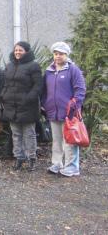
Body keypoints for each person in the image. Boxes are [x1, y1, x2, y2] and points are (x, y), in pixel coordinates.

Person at [42, 42, 86, 177]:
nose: (58, 56)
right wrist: (44, 103)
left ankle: (72, 166)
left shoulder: (73, 70)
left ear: (66, 55)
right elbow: (44, 90)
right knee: (56, 140)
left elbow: (80, 89)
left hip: (69, 113)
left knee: (70, 140)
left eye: (61, 54)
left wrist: (74, 104)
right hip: (53, 112)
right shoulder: (49, 71)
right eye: (55, 54)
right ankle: (57, 164)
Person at [0, 41, 42, 171]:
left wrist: (29, 98)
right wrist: (3, 95)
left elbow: (38, 86)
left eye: (20, 50)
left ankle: (32, 159)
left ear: (26, 52)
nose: (17, 52)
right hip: (11, 105)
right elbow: (5, 83)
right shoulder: (9, 66)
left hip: (27, 106)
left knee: (29, 134)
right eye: (16, 50)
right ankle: (19, 157)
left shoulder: (33, 66)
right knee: (16, 134)